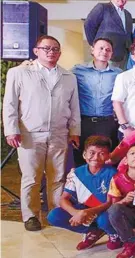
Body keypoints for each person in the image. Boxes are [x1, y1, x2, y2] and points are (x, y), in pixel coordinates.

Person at [3, 36, 81, 231]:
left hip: (59, 133)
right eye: (46, 48)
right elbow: (10, 104)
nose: (51, 52)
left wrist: (74, 131)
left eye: (55, 49)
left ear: (60, 53)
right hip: (30, 133)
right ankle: (30, 216)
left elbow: (74, 106)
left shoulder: (68, 77)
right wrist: (11, 130)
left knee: (57, 177)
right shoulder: (19, 72)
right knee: (31, 177)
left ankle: (55, 214)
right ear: (36, 50)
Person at [47, 136, 120, 250]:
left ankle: (113, 233)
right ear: (84, 154)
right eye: (92, 153)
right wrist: (76, 213)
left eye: (101, 153)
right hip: (85, 208)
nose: (95, 157)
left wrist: (86, 212)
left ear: (107, 156)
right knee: (54, 216)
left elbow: (110, 202)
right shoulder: (76, 173)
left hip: (104, 211)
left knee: (104, 220)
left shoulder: (113, 174)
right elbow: (63, 199)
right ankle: (93, 231)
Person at [71, 38, 122, 167]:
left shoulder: (119, 74)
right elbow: (58, 75)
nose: (104, 51)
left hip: (108, 122)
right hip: (84, 122)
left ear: (111, 53)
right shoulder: (77, 70)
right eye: (101, 48)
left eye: (108, 49)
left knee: (106, 159)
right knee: (82, 159)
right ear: (92, 50)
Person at [84, 0, 133, 69]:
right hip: (106, 53)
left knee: (120, 79)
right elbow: (89, 25)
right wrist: (95, 44)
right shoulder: (103, 8)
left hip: (124, 54)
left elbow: (128, 34)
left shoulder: (128, 14)